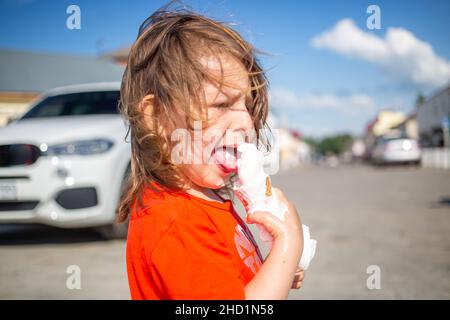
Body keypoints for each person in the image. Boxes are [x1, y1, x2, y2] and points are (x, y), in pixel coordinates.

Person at [117, 4, 305, 300]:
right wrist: (288, 245)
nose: (246, 122)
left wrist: (276, 271)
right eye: (221, 104)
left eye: (247, 105)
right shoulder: (177, 222)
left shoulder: (204, 200)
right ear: (156, 117)